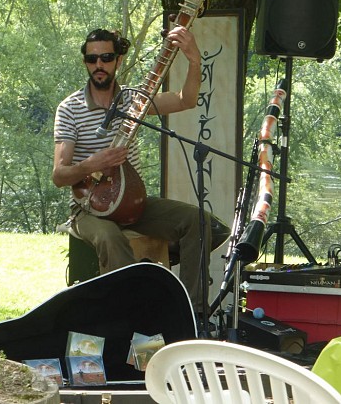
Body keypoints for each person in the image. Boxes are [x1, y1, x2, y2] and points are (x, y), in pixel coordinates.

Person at [52, 27, 227, 316]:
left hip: (131, 203)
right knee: (110, 238)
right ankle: (128, 314)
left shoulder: (134, 101)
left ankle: (190, 312)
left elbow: (186, 99)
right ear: (84, 61)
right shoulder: (70, 109)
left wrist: (194, 60)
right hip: (88, 208)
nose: (98, 65)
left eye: (106, 57)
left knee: (200, 223)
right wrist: (92, 164)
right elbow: (59, 175)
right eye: (91, 59)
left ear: (118, 60)